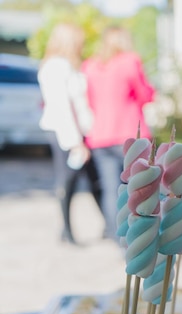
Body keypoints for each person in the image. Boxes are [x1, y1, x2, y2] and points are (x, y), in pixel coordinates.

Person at [82, 26, 155, 241]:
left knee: (110, 190)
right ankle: (137, 235)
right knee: (137, 188)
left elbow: (89, 100)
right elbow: (145, 94)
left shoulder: (90, 65)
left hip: (100, 136)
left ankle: (118, 238)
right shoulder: (130, 61)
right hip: (130, 135)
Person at [38, 23, 100, 245]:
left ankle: (107, 225)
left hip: (79, 133)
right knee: (68, 180)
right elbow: (62, 107)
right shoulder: (56, 67)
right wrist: (75, 143)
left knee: (89, 179)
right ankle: (66, 230)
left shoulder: (69, 66)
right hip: (66, 134)